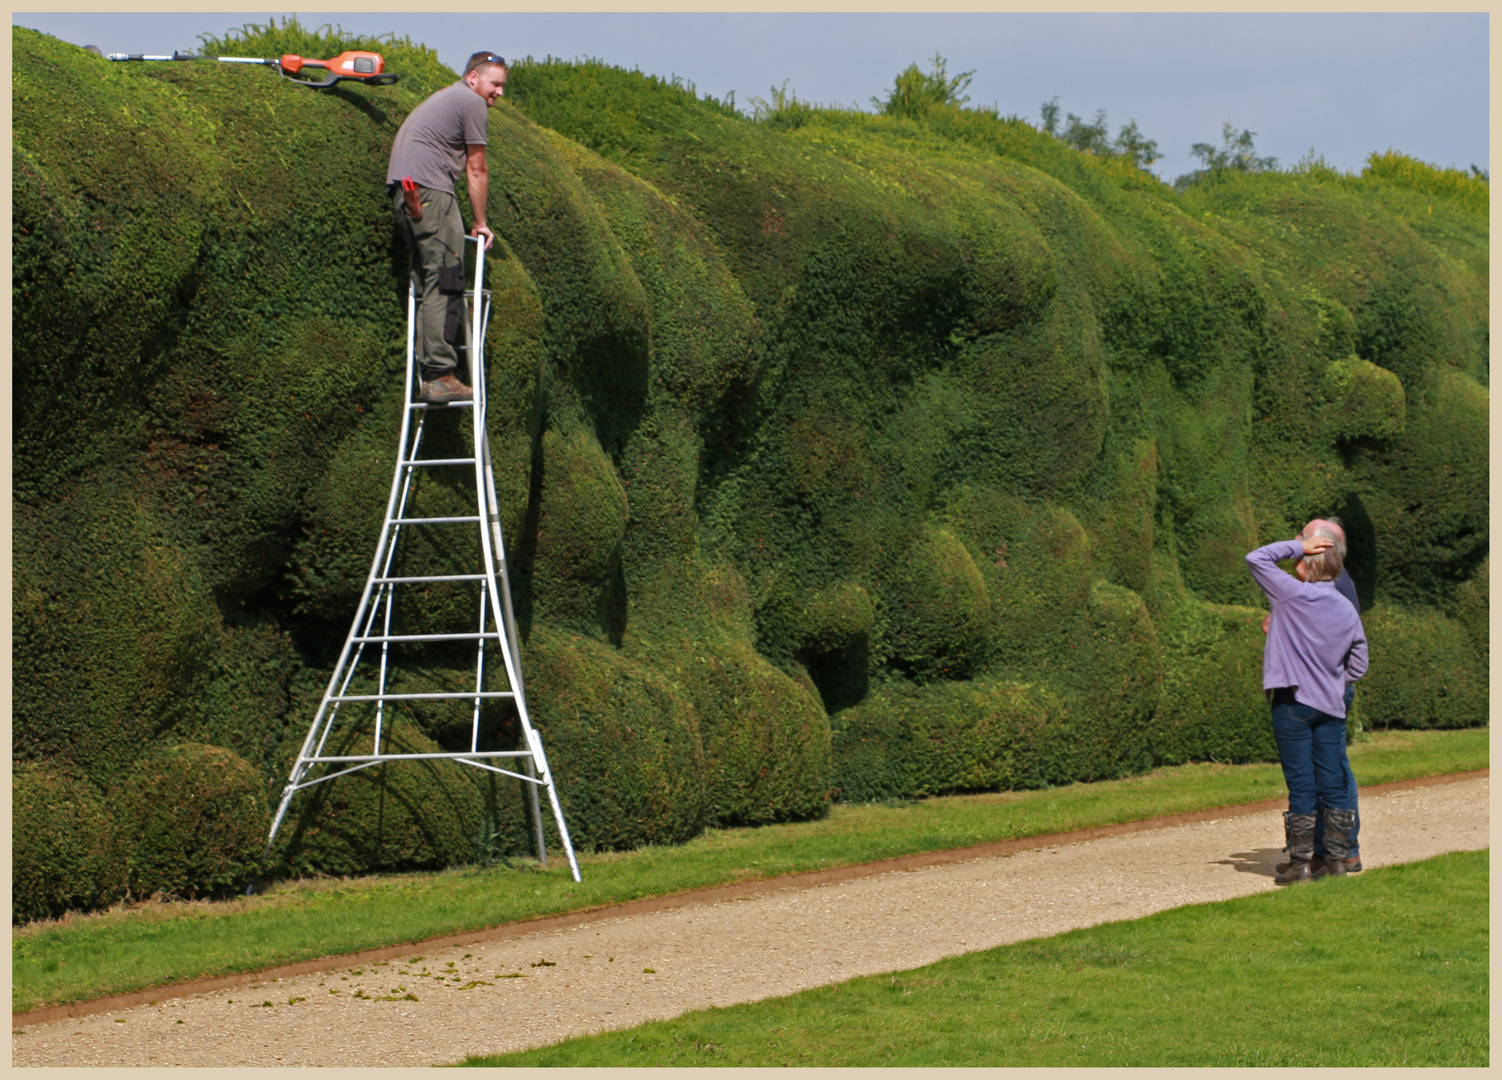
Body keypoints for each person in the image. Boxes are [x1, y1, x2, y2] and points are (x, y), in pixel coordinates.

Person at [1246, 520, 1368, 884]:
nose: (1299, 550)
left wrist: (1299, 546)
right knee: (1332, 782)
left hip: (1292, 702)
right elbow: (1359, 663)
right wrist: (1332, 680)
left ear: (1313, 560)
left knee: (1301, 784)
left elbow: (1256, 558)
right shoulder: (1346, 608)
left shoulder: (1289, 594)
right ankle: (1335, 862)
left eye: (1305, 549)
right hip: (1330, 706)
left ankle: (1300, 865)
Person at [386, 52, 507, 404]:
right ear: (473, 77)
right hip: (431, 194)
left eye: (502, 85)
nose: (499, 92)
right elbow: (476, 169)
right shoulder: (471, 103)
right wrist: (481, 223)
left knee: (429, 281)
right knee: (447, 276)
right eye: (494, 84)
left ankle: (433, 371)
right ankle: (440, 375)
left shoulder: (445, 97)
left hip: (407, 195)